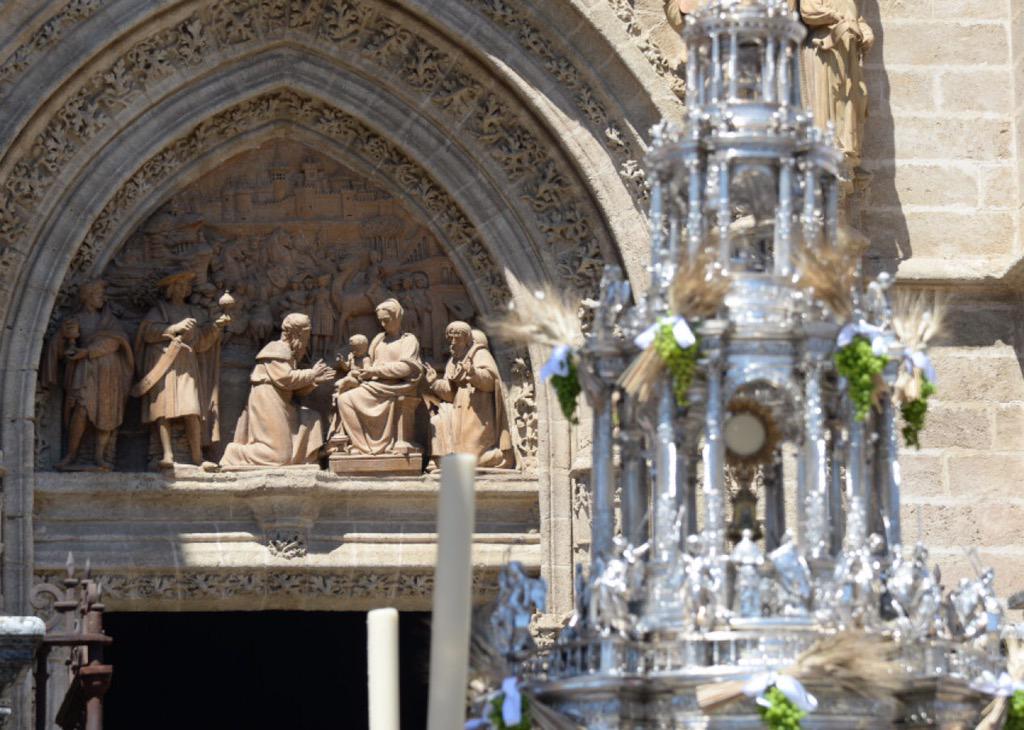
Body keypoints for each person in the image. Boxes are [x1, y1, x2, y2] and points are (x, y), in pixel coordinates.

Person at [133, 271, 228, 468]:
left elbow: (200, 343)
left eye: (187, 285)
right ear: (172, 288)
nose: (187, 288)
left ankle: (197, 457)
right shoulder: (160, 310)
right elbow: (147, 333)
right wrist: (175, 327)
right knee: (162, 409)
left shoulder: (193, 312)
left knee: (192, 409)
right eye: (182, 285)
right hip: (164, 364)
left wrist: (216, 328)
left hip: (186, 366)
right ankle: (166, 455)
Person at [220, 313, 335, 467]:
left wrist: (314, 381)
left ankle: (307, 458)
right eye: (306, 336)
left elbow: (294, 389)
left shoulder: (289, 353)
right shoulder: (276, 349)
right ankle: (234, 453)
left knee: (311, 416)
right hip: (267, 400)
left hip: (282, 401)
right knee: (278, 457)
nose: (307, 341)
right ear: (297, 334)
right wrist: (311, 373)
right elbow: (285, 379)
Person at [43, 280, 134, 471]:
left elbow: (117, 342)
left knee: (107, 413)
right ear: (88, 297)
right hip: (84, 374)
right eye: (99, 294)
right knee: (81, 410)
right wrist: (64, 339)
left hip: (109, 374)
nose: (103, 298)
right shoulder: (76, 320)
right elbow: (60, 349)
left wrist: (88, 351)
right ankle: (72, 454)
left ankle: (100, 456)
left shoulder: (109, 321)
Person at [334, 299, 424, 455]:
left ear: (397, 317)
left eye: (386, 320)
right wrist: (361, 372)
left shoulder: (409, 340)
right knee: (344, 399)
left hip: (396, 386)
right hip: (374, 385)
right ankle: (360, 445)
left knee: (349, 398)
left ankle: (375, 446)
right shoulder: (378, 340)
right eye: (380, 321)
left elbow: (406, 368)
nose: (383, 324)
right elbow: (368, 363)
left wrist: (375, 372)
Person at [425, 322, 513, 469]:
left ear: (467, 339)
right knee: (437, 423)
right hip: (458, 411)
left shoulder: (479, 354)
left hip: (478, 411)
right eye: (451, 339)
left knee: (470, 459)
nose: (453, 343)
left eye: (457, 339)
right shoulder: (453, 360)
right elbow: (450, 393)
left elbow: (491, 381)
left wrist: (473, 373)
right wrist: (434, 382)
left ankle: (499, 456)